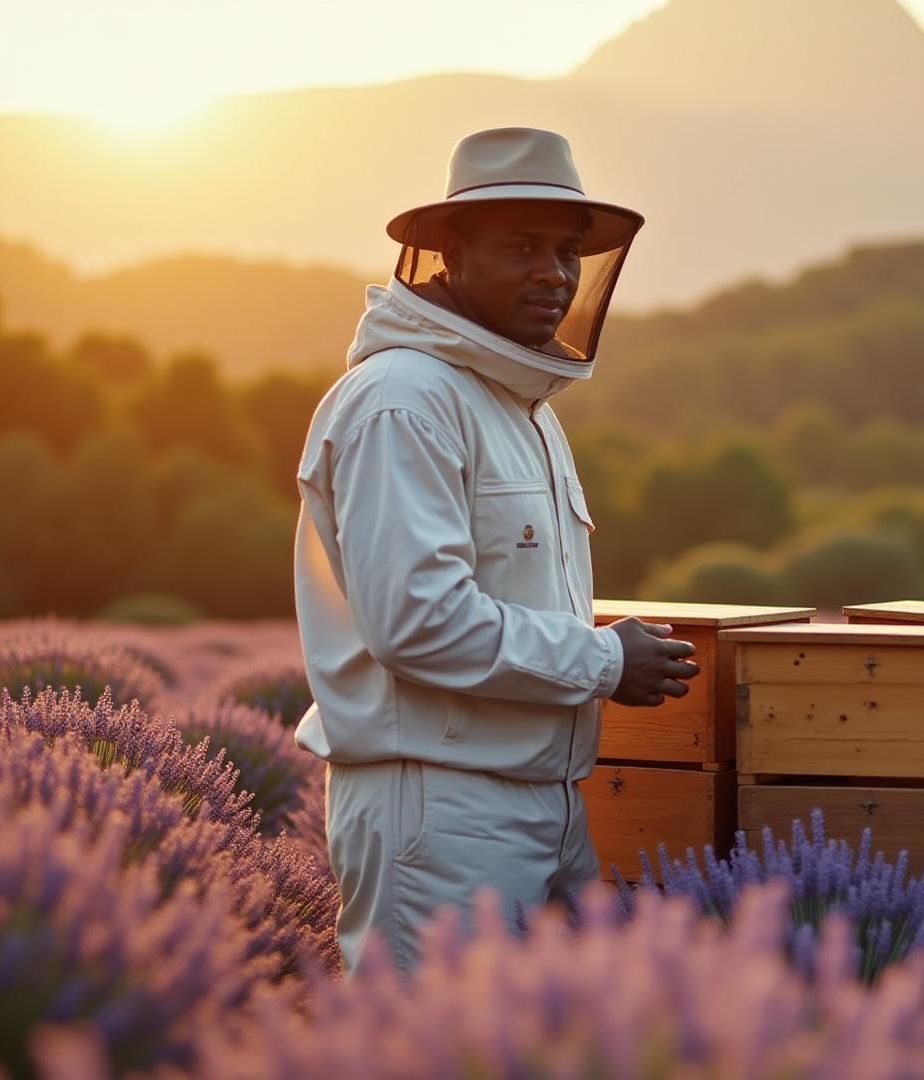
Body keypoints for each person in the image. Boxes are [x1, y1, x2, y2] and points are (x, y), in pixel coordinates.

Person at [290, 127, 700, 976]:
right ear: (452, 255)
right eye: (522, 247)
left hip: (539, 803)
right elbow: (418, 622)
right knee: (439, 1040)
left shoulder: (520, 410)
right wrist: (603, 659)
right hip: (439, 810)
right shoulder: (404, 400)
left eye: (567, 252)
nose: (554, 274)